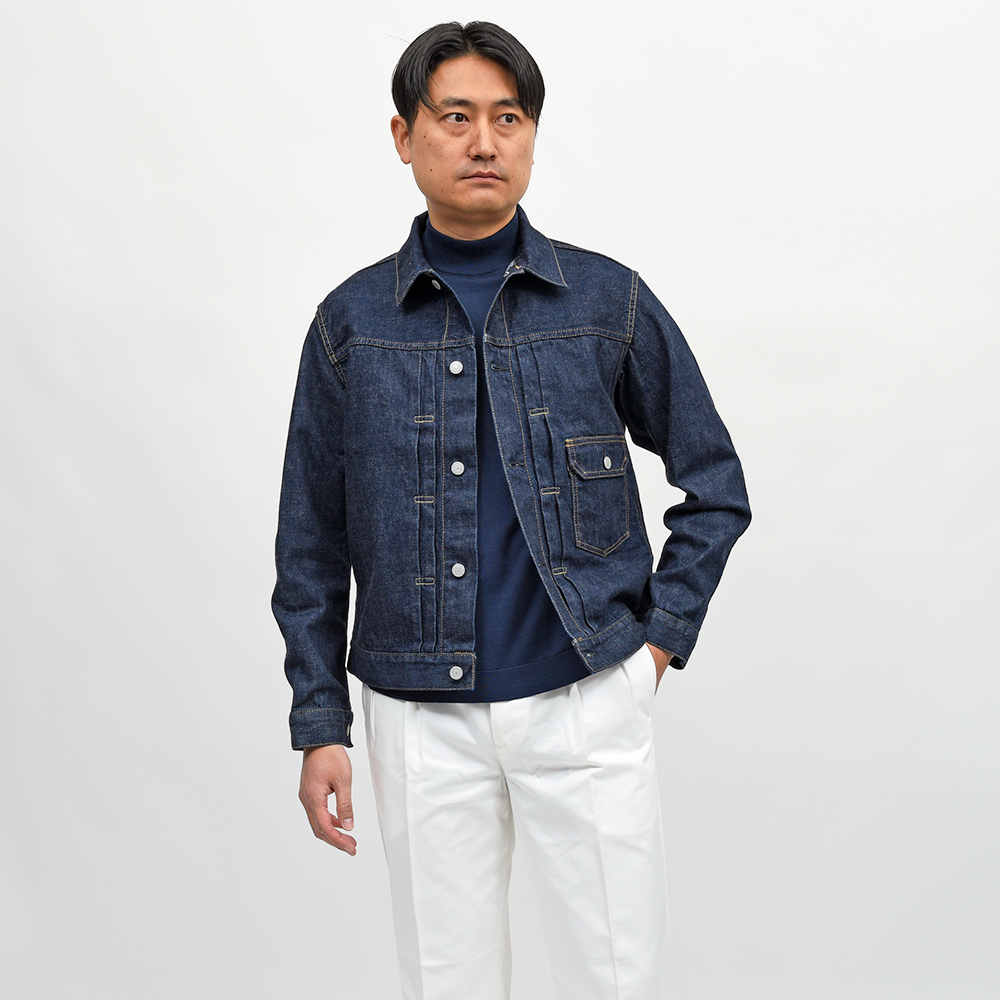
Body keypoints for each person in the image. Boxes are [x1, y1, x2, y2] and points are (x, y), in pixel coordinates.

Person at [272, 20, 750, 1000]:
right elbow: (310, 542)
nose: (484, 141)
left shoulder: (606, 301)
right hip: (418, 718)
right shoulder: (350, 324)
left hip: (584, 697)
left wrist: (652, 651)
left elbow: (714, 484)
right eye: (456, 117)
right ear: (404, 136)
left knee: (614, 980)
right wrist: (321, 722)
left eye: (508, 117)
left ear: (532, 134)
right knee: (446, 983)